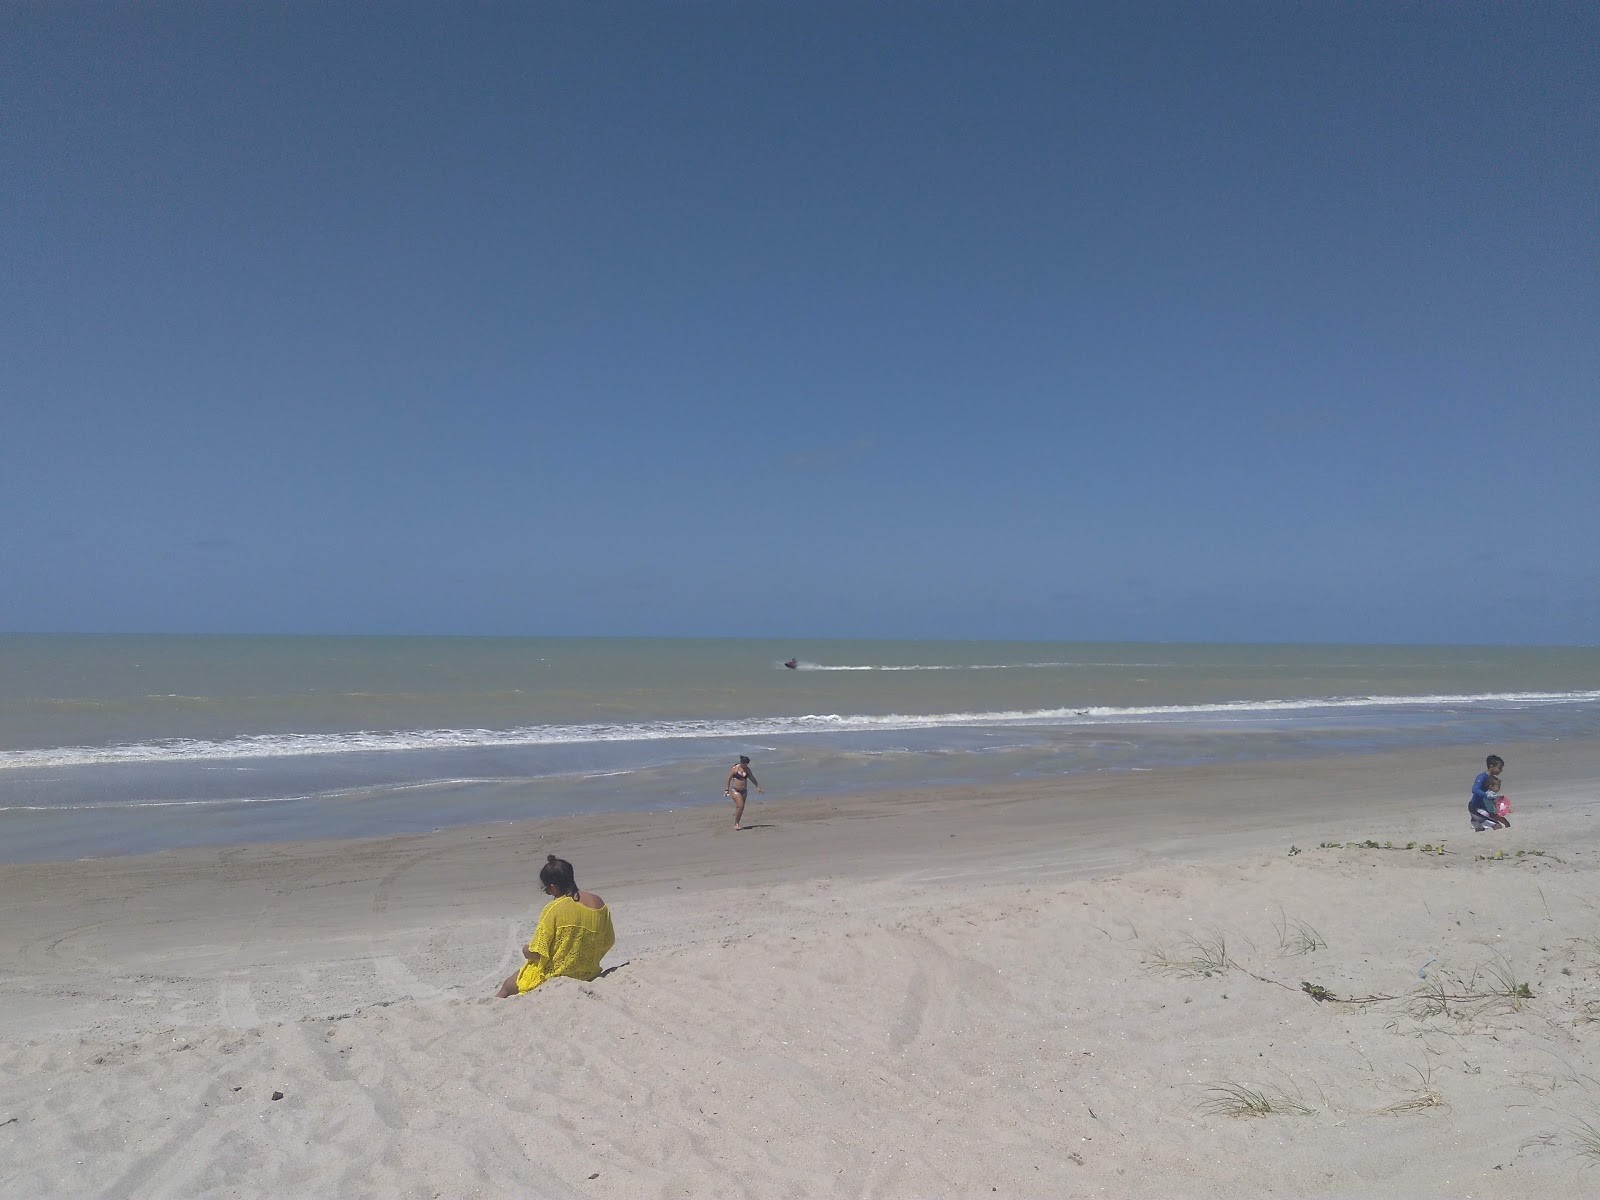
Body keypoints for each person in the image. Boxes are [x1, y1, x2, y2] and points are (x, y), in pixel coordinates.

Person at [496, 855, 615, 998]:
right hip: (589, 971)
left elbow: (536, 953)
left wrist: (525, 950)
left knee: (507, 987)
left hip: (558, 974)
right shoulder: (599, 903)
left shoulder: (554, 908)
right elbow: (608, 941)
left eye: (547, 890)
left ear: (553, 887)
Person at [1469, 754, 1509, 832]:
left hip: (1483, 808)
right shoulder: (1482, 777)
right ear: (1491, 767)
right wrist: (1487, 795)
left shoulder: (1493, 779)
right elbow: (1474, 790)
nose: (1501, 770)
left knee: (1480, 829)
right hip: (1476, 808)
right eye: (1499, 768)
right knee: (1497, 826)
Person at [724, 754, 762, 830]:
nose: (745, 765)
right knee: (740, 806)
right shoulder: (735, 768)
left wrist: (758, 786)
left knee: (741, 808)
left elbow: (752, 778)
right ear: (741, 762)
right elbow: (728, 779)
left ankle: (737, 822)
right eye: (744, 764)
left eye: (747, 764)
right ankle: (736, 824)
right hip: (735, 790)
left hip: (744, 791)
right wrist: (726, 790)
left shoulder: (747, 770)